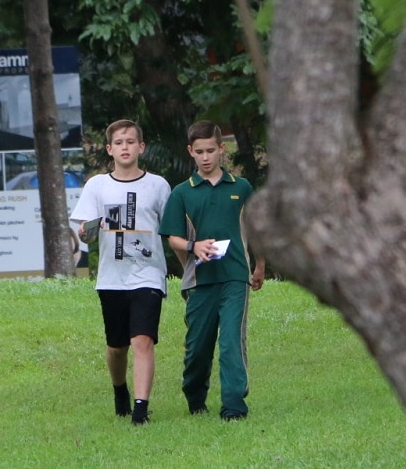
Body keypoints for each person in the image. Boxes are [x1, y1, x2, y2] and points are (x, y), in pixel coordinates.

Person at [159, 120, 265, 422]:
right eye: (199, 152)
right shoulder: (182, 193)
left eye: (211, 151)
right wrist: (195, 247)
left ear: (222, 149)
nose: (206, 157)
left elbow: (257, 230)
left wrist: (260, 265)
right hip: (199, 281)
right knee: (197, 349)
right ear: (190, 152)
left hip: (235, 277)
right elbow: (172, 237)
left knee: (231, 340)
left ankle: (233, 406)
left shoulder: (241, 187)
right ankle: (195, 397)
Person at [70, 119, 170, 425]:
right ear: (109, 149)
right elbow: (80, 233)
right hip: (112, 278)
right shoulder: (97, 186)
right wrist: (90, 229)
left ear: (141, 147)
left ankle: (141, 410)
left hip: (149, 275)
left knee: (143, 340)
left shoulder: (158, 185)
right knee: (117, 347)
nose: (125, 147)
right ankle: (120, 390)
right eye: (119, 143)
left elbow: (172, 229)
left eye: (131, 142)